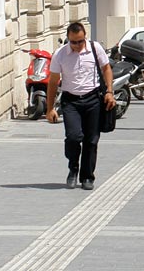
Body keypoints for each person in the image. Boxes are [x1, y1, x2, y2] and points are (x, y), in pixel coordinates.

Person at [47, 22, 115, 190]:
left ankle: (87, 176)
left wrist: (109, 91)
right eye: (73, 42)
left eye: (80, 41)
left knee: (91, 140)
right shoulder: (60, 55)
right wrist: (50, 108)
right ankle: (73, 168)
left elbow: (106, 68)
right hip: (71, 101)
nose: (77, 45)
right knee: (73, 137)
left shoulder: (95, 48)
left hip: (93, 99)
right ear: (68, 40)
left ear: (85, 37)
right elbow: (53, 82)